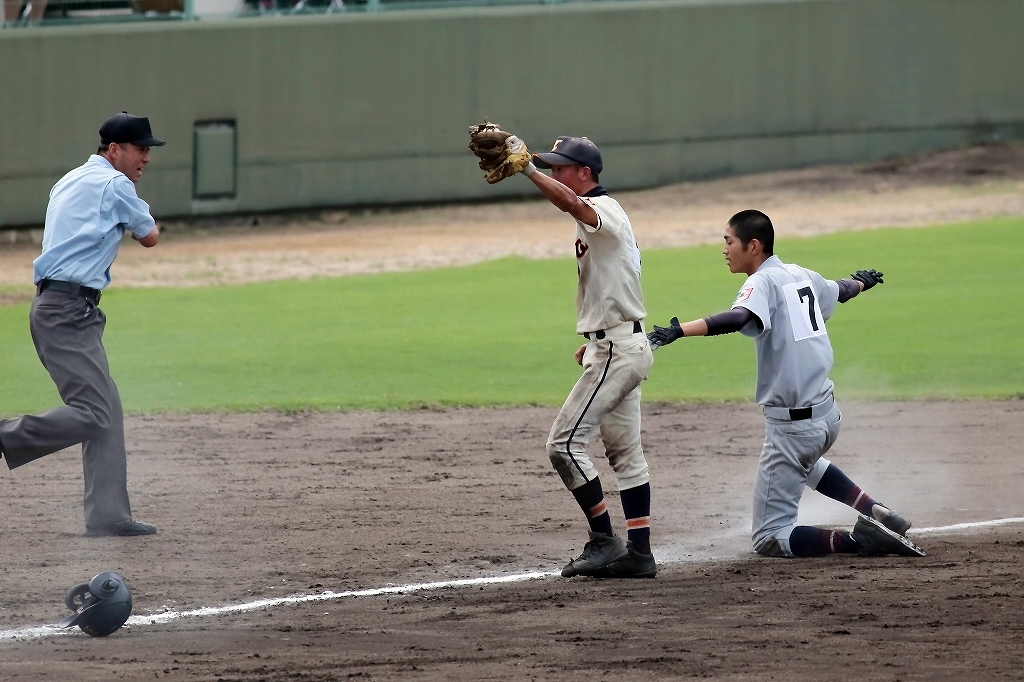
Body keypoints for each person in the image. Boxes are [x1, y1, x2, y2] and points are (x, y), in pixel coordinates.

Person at [647, 209, 925, 558]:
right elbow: (840, 289)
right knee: (804, 463)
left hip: (796, 427)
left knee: (768, 537)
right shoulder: (799, 274)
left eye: (728, 241)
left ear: (753, 246)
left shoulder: (761, 282)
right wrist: (863, 282)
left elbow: (741, 316)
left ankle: (858, 540)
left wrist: (680, 330)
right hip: (828, 416)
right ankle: (876, 509)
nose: (724, 249)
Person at [0, 112, 164, 537]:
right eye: (139, 149)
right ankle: (6, 435)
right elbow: (150, 237)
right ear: (114, 150)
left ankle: (108, 514)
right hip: (69, 312)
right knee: (95, 412)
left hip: (55, 308)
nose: (145, 157)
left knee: (106, 405)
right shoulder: (116, 184)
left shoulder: (69, 179)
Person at [509, 135, 657, 578]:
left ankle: (605, 540)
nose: (554, 172)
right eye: (549, 167)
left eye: (560, 167)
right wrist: (596, 336)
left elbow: (572, 206)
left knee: (563, 444)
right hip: (618, 345)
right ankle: (640, 554)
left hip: (618, 349)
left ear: (585, 174)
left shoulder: (604, 211)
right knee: (625, 455)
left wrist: (529, 172)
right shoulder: (608, 218)